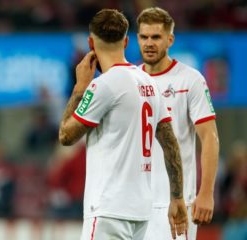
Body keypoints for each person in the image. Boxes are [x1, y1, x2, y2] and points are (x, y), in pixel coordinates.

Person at [59, 9, 188, 240]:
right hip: (140, 213)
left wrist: (80, 88)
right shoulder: (149, 83)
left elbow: (66, 136)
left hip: (108, 209)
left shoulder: (103, 86)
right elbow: (170, 143)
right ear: (126, 41)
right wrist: (177, 197)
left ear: (91, 43)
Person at [136, 7, 220, 240]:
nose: (149, 43)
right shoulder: (130, 80)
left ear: (170, 39)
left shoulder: (189, 80)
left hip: (174, 203)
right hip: (132, 201)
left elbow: (209, 139)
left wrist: (206, 193)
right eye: (144, 37)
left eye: (156, 37)